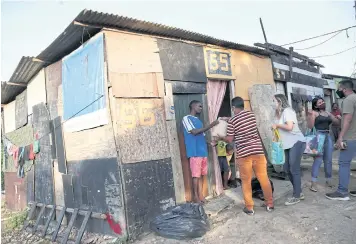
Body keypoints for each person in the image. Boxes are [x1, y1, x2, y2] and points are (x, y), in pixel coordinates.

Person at [220, 96, 274, 215]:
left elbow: (229, 139)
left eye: (232, 109)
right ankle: (270, 204)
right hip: (258, 152)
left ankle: (249, 208)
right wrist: (228, 119)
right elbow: (241, 119)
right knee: (263, 178)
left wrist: (220, 136)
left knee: (246, 181)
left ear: (233, 107)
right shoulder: (251, 115)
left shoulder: (232, 122)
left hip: (244, 155)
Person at [182, 100, 219, 203]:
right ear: (193, 106)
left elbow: (201, 136)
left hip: (203, 152)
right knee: (196, 175)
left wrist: (209, 143)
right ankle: (196, 197)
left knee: (202, 175)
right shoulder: (186, 118)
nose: (201, 108)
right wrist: (211, 125)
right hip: (195, 152)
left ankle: (201, 195)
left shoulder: (199, 121)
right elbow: (194, 132)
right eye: (199, 106)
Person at [272, 94, 306, 206]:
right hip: (286, 144)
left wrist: (277, 125)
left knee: (293, 168)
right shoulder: (277, 114)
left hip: (296, 142)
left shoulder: (287, 111)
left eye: (274, 101)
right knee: (286, 169)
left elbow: (290, 127)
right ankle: (298, 191)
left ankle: (296, 195)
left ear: (280, 102)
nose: (272, 103)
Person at [326, 79, 356, 200]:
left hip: (350, 137)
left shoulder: (348, 100)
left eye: (339, 88)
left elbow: (348, 119)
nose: (338, 91)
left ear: (344, 89)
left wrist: (340, 137)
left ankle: (342, 192)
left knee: (344, 164)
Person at [307, 97, 340, 192]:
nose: (322, 103)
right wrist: (310, 116)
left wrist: (338, 117)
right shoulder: (314, 113)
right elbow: (310, 126)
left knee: (328, 160)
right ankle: (313, 183)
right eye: (320, 102)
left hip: (328, 136)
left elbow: (337, 122)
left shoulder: (328, 113)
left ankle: (328, 180)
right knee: (318, 159)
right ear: (316, 105)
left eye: (323, 101)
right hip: (318, 136)